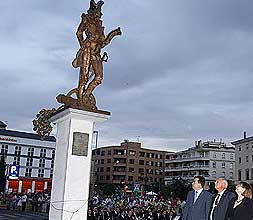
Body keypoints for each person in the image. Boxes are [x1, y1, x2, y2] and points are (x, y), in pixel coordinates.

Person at [72, 0, 121, 106]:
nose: (99, 15)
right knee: (84, 77)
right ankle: (80, 99)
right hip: (88, 51)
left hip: (96, 54)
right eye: (98, 12)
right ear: (93, 12)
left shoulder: (100, 26)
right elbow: (79, 33)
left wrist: (113, 34)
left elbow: (104, 42)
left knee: (99, 78)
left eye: (100, 13)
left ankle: (86, 96)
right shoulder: (86, 19)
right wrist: (83, 45)